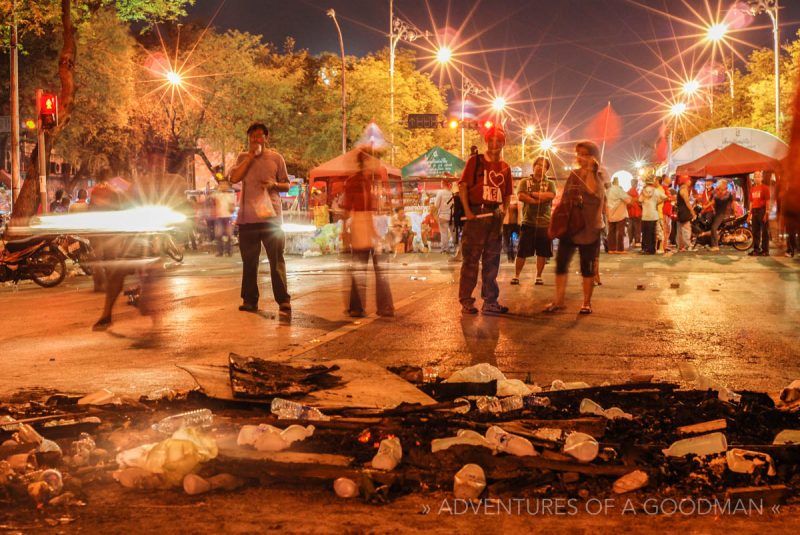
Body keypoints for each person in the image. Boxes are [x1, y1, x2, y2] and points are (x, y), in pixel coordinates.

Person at [229, 122, 291, 316]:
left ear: (266, 138)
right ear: (249, 139)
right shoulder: (242, 157)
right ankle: (249, 300)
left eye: (259, 136)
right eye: (252, 137)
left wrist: (274, 184)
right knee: (249, 261)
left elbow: (286, 185)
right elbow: (234, 178)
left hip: (271, 218)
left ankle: (283, 300)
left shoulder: (276, 158)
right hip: (248, 219)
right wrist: (249, 158)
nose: (256, 140)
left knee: (276, 260)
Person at [544, 141, 609, 315]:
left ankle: (586, 303)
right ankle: (558, 301)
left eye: (585, 154)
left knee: (586, 267)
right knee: (561, 263)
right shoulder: (573, 174)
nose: (580, 157)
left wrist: (589, 169)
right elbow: (564, 199)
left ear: (594, 157)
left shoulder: (599, 176)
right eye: (578, 154)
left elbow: (591, 190)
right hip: (571, 227)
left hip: (589, 229)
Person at [458, 126, 513, 315]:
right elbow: (463, 186)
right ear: (487, 142)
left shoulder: (505, 168)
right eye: (492, 140)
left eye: (499, 141)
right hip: (476, 214)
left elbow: (507, 194)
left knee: (492, 260)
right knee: (471, 260)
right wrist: (467, 210)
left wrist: (503, 212)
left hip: (494, 216)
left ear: (503, 143)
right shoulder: (476, 161)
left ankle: (490, 301)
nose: (495, 144)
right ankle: (466, 301)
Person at [342, 148, 394, 317]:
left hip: (369, 225)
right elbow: (348, 208)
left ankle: (371, 307)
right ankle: (363, 307)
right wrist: (346, 232)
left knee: (368, 268)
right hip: (360, 225)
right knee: (364, 268)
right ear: (365, 163)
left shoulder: (366, 181)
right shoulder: (355, 182)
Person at [513, 156, 556, 285]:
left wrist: (532, 194)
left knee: (542, 252)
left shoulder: (550, 183)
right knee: (522, 252)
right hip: (528, 221)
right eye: (538, 165)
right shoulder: (525, 181)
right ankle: (516, 275)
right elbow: (521, 195)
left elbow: (551, 195)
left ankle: (538, 276)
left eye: (543, 166)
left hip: (545, 223)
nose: (540, 168)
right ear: (534, 166)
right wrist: (538, 199)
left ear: (546, 169)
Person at [639, 178, 666, 255]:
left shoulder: (643, 191)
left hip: (645, 215)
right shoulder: (656, 191)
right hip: (654, 215)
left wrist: (644, 205)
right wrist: (657, 203)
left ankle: (645, 248)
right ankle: (651, 249)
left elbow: (640, 201)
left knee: (645, 233)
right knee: (652, 233)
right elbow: (665, 197)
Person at [606, 177, 631, 253]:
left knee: (611, 232)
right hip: (620, 214)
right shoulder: (619, 190)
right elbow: (628, 200)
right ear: (617, 182)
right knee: (620, 231)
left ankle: (611, 249)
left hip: (610, 213)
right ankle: (620, 249)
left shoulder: (608, 191)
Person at [749, 171, 771, 256]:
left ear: (761, 178)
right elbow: (751, 202)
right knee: (755, 231)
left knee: (765, 231)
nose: (757, 178)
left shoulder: (765, 188)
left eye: (759, 176)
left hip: (762, 211)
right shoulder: (752, 188)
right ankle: (756, 249)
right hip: (754, 211)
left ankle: (765, 250)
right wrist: (749, 214)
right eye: (755, 176)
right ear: (753, 178)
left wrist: (767, 212)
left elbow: (768, 201)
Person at [213, 180, 237, 257]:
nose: (223, 186)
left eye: (225, 185)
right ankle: (220, 251)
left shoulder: (231, 195)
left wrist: (231, 207)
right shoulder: (217, 194)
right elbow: (212, 196)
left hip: (228, 217)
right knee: (218, 235)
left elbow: (233, 206)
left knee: (229, 235)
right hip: (219, 217)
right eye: (221, 185)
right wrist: (218, 190)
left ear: (228, 186)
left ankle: (229, 251)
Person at [708, 179, 732, 252]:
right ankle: (712, 244)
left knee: (713, 228)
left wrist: (733, 212)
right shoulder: (714, 192)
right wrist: (713, 209)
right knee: (711, 228)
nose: (718, 185)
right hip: (716, 213)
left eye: (720, 184)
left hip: (723, 213)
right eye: (718, 184)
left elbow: (731, 203)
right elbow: (711, 201)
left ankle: (715, 246)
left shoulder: (728, 194)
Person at [675, 176, 695, 252]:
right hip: (684, 211)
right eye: (689, 180)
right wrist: (692, 211)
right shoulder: (684, 189)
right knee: (686, 228)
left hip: (680, 211)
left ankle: (680, 246)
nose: (690, 182)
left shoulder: (681, 188)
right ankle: (688, 245)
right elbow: (687, 202)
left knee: (680, 229)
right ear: (686, 181)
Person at [433, 181, 453, 253]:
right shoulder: (452, 193)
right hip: (452, 216)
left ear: (442, 184)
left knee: (444, 233)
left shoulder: (440, 192)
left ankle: (445, 249)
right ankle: (457, 249)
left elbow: (436, 205)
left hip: (442, 216)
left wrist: (435, 215)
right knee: (453, 234)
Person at [502, 192, 520, 262]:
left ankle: (516, 255)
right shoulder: (505, 203)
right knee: (507, 242)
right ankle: (509, 256)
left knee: (518, 241)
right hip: (506, 224)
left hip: (517, 224)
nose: (513, 196)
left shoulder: (519, 203)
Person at [626, 178, 642, 248]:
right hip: (637, 213)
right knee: (637, 228)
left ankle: (630, 241)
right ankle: (637, 241)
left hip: (630, 213)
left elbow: (627, 203)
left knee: (630, 228)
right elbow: (640, 202)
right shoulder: (636, 193)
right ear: (635, 184)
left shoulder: (628, 192)